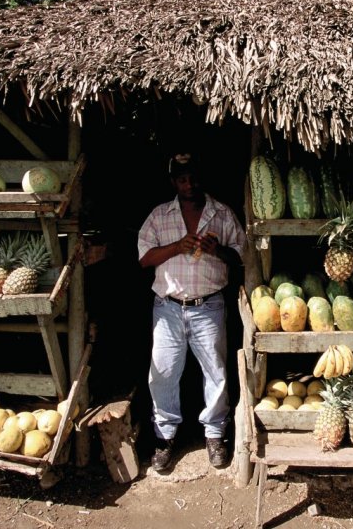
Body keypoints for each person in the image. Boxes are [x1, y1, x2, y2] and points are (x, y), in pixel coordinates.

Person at [137, 152, 246, 472]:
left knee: (216, 373)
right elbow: (144, 258)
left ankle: (215, 435)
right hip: (168, 308)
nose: (189, 184)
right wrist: (177, 246)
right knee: (163, 374)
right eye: (182, 179)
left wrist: (219, 250)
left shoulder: (222, 214)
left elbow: (242, 255)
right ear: (173, 181)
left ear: (201, 177)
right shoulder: (159, 216)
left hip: (208, 306)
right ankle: (165, 437)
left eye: (193, 177)